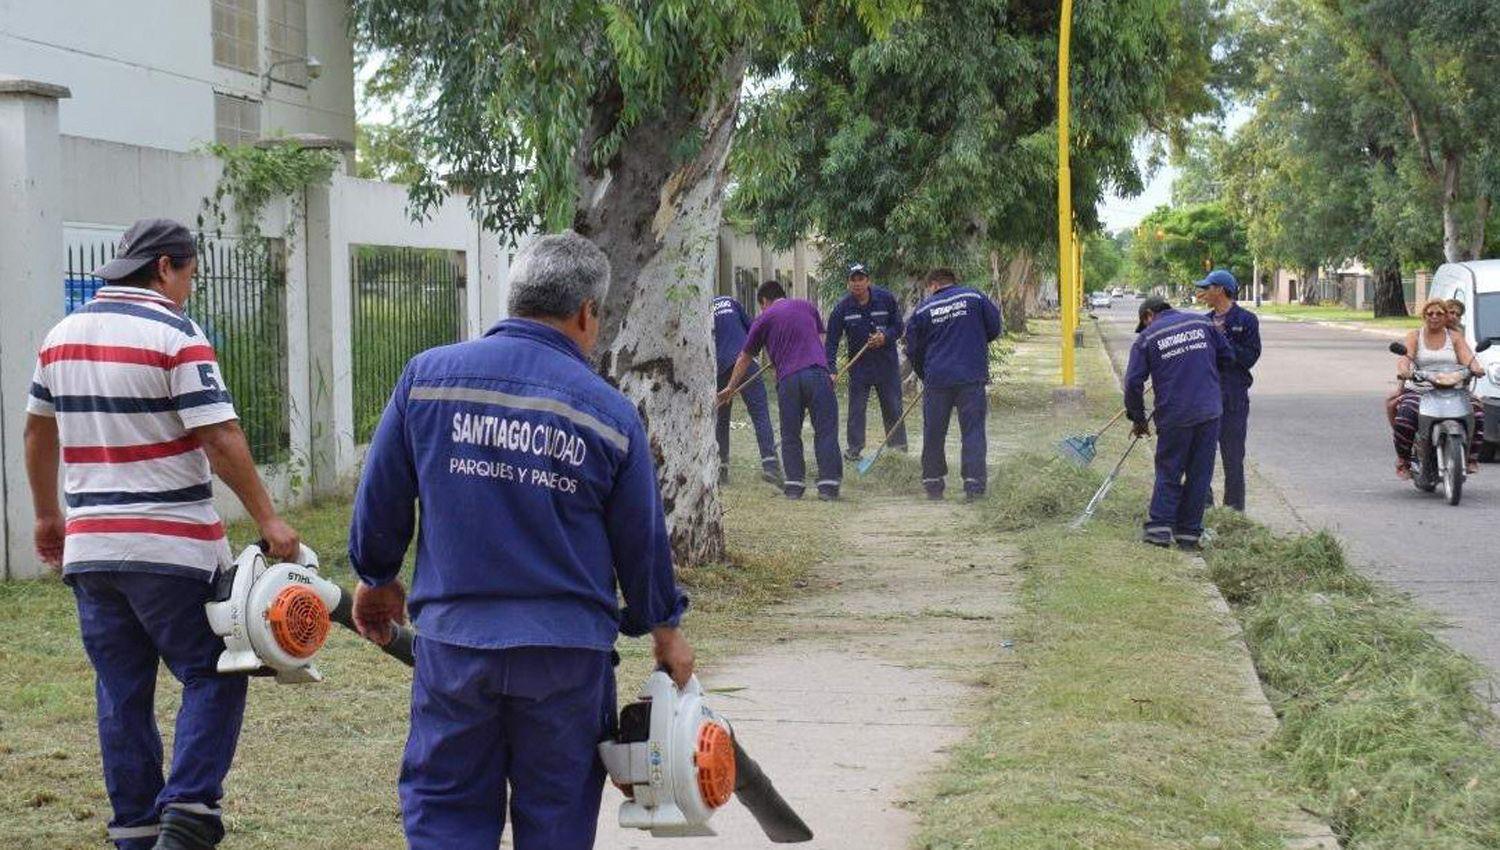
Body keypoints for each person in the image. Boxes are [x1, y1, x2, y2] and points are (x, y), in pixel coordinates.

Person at [347, 232, 694, 850]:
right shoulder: (609, 416)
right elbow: (640, 543)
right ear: (586, 312)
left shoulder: (427, 381)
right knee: (557, 821)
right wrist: (664, 628)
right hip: (566, 663)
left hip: (456, 651)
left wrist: (376, 578)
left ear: (514, 299)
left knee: (446, 815)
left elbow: (381, 500)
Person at [23, 218, 302, 850]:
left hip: (91, 551)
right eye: (190, 275)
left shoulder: (60, 337)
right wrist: (269, 519)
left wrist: (47, 516)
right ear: (166, 267)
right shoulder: (176, 333)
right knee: (215, 671)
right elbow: (219, 436)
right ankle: (189, 812)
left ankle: (136, 831)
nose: (189, 289)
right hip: (171, 548)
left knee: (121, 693)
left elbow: (38, 432)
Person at [1125, 295, 1233, 550]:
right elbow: (1227, 356)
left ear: (1149, 315)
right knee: (1200, 473)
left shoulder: (1147, 337)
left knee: (1169, 470)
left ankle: (1160, 529)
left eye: (1144, 322)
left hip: (1175, 414)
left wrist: (1138, 419)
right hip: (1209, 411)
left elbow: (1132, 383)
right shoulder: (1203, 323)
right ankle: (1188, 534)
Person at [718, 280, 843, 500]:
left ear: (764, 302)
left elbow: (745, 357)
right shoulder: (807, 306)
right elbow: (820, 338)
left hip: (788, 380)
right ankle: (828, 486)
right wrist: (827, 369)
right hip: (817, 374)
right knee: (825, 430)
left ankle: (794, 486)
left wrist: (730, 387)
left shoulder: (763, 318)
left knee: (790, 434)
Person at [903, 268, 1002, 501]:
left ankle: (933, 484)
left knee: (934, 432)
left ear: (933, 285)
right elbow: (995, 327)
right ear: (953, 282)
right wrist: (974, 340)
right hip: (971, 376)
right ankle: (974, 485)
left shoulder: (923, 309)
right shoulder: (974, 297)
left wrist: (925, 374)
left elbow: (913, 348)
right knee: (973, 431)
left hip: (937, 379)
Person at [1391, 298, 1485, 478]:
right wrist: (1404, 370)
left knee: (1478, 412)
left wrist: (1476, 368)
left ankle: (1471, 458)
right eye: (1430, 313)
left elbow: (1468, 358)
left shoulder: (1455, 337)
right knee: (1405, 417)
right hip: (1421, 389)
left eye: (1439, 314)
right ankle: (1404, 460)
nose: (1434, 317)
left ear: (1445, 316)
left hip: (1454, 388)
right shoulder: (1414, 336)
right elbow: (1405, 358)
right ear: (1424, 316)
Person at [826, 263, 907, 460]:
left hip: (886, 366)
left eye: (860, 279)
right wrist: (831, 369)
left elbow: (898, 327)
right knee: (856, 410)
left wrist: (885, 337)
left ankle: (898, 450)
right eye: (853, 280)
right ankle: (854, 450)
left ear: (868, 281)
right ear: (848, 284)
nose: (857, 283)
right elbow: (831, 341)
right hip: (859, 367)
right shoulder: (842, 308)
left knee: (893, 407)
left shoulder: (885, 299)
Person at [1195, 269, 1260, 511]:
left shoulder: (1246, 320)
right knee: (1201, 455)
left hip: (1233, 398)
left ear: (1220, 290)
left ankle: (1233, 510)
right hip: (1205, 398)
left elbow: (1249, 357)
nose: (1203, 292)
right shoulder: (1203, 322)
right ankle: (1204, 506)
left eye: (1207, 288)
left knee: (1233, 458)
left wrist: (1222, 343)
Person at [712, 294, 782, 485]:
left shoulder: (705, 309)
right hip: (745, 362)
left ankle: (721, 468)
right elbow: (754, 331)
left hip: (720, 366)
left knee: (721, 418)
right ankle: (770, 465)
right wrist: (773, 356)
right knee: (760, 414)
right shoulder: (732, 302)